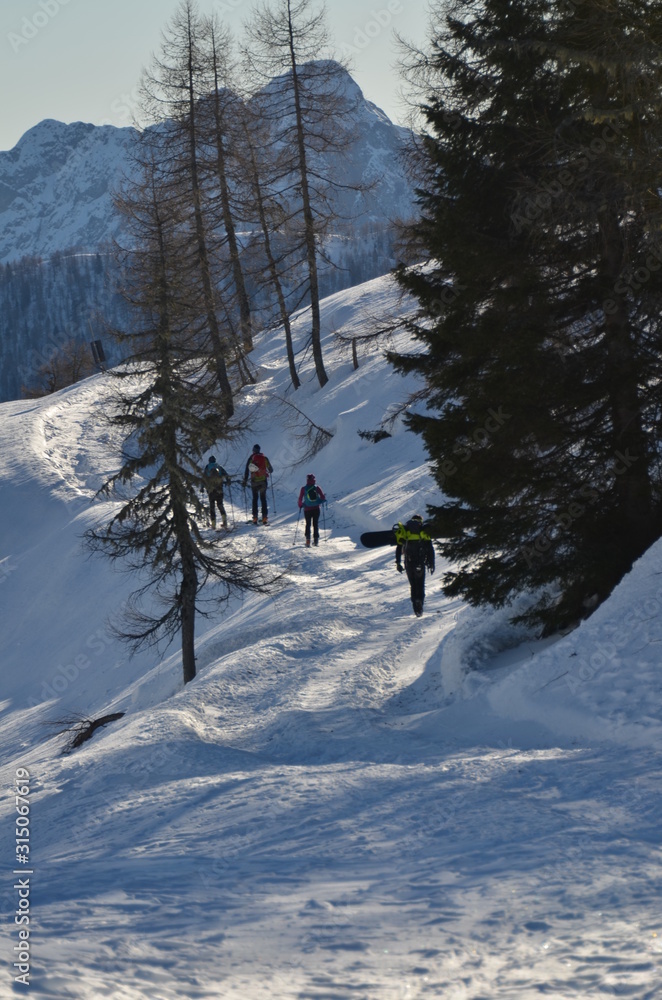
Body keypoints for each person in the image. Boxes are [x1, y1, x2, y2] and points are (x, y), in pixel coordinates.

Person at [395, 514, 435, 616]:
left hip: (408, 563)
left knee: (413, 585)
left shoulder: (405, 532)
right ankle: (420, 604)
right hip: (419, 563)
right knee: (420, 584)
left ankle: (416, 608)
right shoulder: (423, 531)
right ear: (420, 521)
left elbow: (399, 548)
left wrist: (398, 563)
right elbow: (430, 549)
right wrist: (431, 563)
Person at [242, 443, 273, 525]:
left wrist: (245, 481)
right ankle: (264, 518)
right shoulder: (264, 458)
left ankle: (255, 518)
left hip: (254, 481)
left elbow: (247, 470)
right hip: (263, 481)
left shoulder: (251, 458)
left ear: (253, 450)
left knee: (255, 499)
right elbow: (271, 469)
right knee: (263, 499)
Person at [297, 473, 326, 547]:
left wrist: (300, 505)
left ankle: (308, 540)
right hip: (316, 509)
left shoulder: (303, 489)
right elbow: (323, 497)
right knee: (315, 524)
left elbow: (300, 498)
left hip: (307, 509)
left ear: (307, 480)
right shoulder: (317, 487)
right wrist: (320, 501)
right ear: (313, 480)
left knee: (308, 524)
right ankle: (316, 541)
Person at [203, 455, 230, 528]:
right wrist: (228, 481)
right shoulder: (219, 467)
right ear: (215, 460)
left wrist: (202, 487)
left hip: (211, 490)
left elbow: (204, 478)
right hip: (219, 489)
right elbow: (226, 475)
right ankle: (224, 521)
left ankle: (213, 524)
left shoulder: (207, 467)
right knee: (220, 504)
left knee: (212, 506)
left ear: (209, 461)